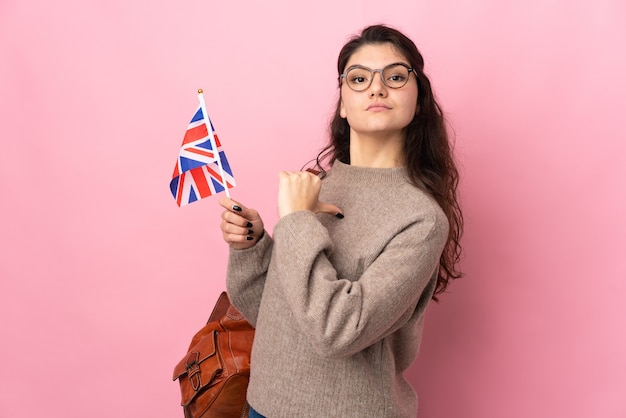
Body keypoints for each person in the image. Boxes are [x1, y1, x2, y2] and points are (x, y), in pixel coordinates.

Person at [218, 24, 463, 418]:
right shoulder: (319, 187)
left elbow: (337, 331)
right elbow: (274, 316)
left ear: (418, 101)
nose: (377, 88)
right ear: (343, 104)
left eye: (396, 77)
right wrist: (252, 247)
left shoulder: (421, 219)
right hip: (262, 406)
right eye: (359, 78)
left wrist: (298, 220)